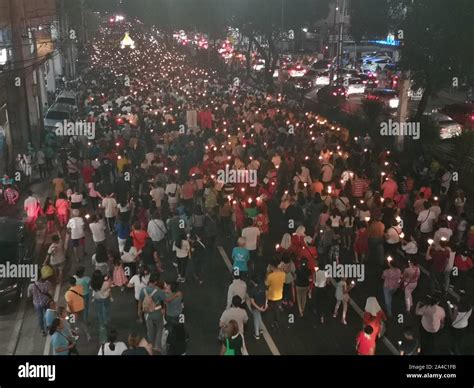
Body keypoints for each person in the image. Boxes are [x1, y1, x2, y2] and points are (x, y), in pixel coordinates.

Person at [138, 273, 167, 354]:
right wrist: (164, 308)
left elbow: (140, 303)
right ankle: (157, 346)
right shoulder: (159, 291)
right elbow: (165, 301)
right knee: (160, 328)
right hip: (157, 312)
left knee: (150, 330)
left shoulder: (143, 290)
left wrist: (139, 314)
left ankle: (150, 345)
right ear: (155, 282)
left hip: (147, 314)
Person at [64, 276, 91, 342]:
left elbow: (70, 305)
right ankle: (88, 334)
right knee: (82, 321)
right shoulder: (80, 287)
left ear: (69, 283)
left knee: (72, 323)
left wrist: (73, 313)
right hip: (81, 308)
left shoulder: (68, 293)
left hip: (72, 311)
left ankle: (74, 337)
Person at [91, 270, 113, 335]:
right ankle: (107, 322)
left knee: (99, 310)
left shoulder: (92, 283)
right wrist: (107, 280)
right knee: (106, 310)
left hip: (97, 297)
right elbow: (109, 287)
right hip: (105, 297)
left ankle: (102, 324)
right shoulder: (105, 283)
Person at [265, 260, 285, 329]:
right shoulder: (283, 274)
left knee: (271, 311)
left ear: (272, 266)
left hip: (271, 296)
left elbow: (266, 284)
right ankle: (277, 322)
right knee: (277, 310)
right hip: (279, 295)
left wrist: (267, 272)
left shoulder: (270, 276)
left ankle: (273, 323)